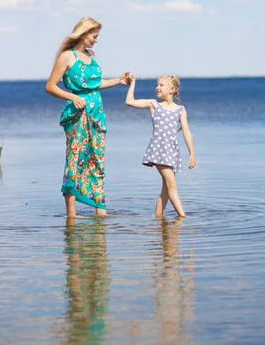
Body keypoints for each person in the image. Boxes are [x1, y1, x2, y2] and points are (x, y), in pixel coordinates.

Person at [45, 17, 130, 218]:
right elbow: (50, 86)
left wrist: (119, 80)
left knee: (96, 159)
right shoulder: (67, 57)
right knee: (75, 159)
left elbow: (96, 84)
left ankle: (100, 211)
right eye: (94, 36)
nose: (96, 41)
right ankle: (71, 216)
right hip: (77, 116)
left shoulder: (91, 56)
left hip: (97, 114)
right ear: (84, 34)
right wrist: (72, 96)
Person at [125, 74, 195, 217]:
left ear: (172, 89)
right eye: (157, 85)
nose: (157, 87)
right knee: (172, 186)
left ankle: (158, 217)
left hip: (172, 152)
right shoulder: (154, 104)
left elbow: (186, 131)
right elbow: (129, 101)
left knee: (166, 190)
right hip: (158, 151)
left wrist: (192, 153)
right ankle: (183, 217)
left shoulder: (180, 110)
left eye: (161, 85)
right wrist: (132, 83)